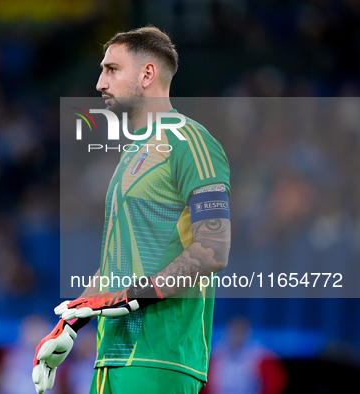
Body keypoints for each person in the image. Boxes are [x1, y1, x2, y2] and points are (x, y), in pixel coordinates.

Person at [33, 26, 231, 394]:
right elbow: (115, 265)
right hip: (110, 358)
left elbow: (213, 250)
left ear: (147, 74)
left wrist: (135, 296)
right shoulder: (131, 154)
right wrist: (71, 323)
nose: (99, 83)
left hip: (160, 358)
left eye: (111, 69)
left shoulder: (192, 143)